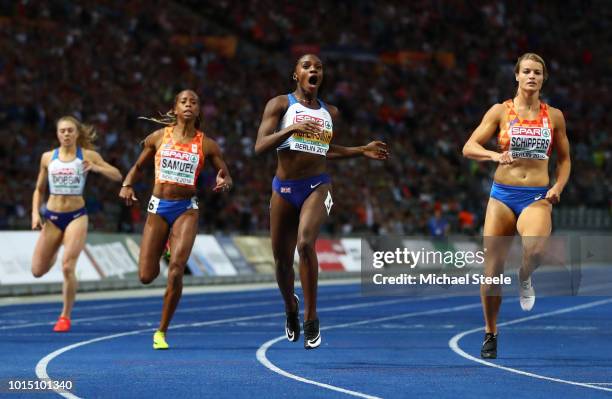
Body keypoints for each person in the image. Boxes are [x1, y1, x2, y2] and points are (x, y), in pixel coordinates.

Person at [254, 54, 388, 349]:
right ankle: (291, 306)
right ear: (296, 75)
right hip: (283, 189)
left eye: (318, 67)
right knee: (281, 261)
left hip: (317, 185)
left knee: (305, 244)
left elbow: (325, 149)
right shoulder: (280, 104)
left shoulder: (331, 112)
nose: (313, 70)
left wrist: (361, 149)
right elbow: (260, 146)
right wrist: (291, 129)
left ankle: (311, 316)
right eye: (306, 66)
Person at [462, 53, 571, 359]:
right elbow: (469, 147)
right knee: (492, 271)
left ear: (543, 78)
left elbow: (565, 160)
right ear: (517, 76)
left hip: (537, 197)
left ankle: (524, 275)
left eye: (537, 72)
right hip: (501, 197)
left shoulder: (555, 116)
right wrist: (496, 156)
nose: (532, 76)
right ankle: (490, 332)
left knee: (535, 250)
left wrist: (558, 187)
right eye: (526, 71)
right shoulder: (500, 111)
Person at [119, 89, 232, 350]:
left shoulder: (207, 144)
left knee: (177, 269)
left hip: (186, 209)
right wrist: (127, 184)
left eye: (194, 102)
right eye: (184, 101)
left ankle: (161, 331)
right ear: (176, 108)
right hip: (158, 208)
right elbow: (138, 167)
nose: (189, 105)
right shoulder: (158, 138)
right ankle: (165, 243)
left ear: (199, 110)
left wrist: (224, 180)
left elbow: (226, 174)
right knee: (146, 276)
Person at [31, 116, 123, 332]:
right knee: (37, 270)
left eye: (70, 130)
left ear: (77, 133)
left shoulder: (87, 155)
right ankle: (54, 249)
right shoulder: (47, 158)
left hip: (76, 216)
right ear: (57, 134)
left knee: (67, 266)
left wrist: (97, 168)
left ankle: (65, 316)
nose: (66, 134)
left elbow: (118, 175)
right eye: (62, 131)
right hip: (52, 217)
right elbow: (39, 189)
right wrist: (35, 213)